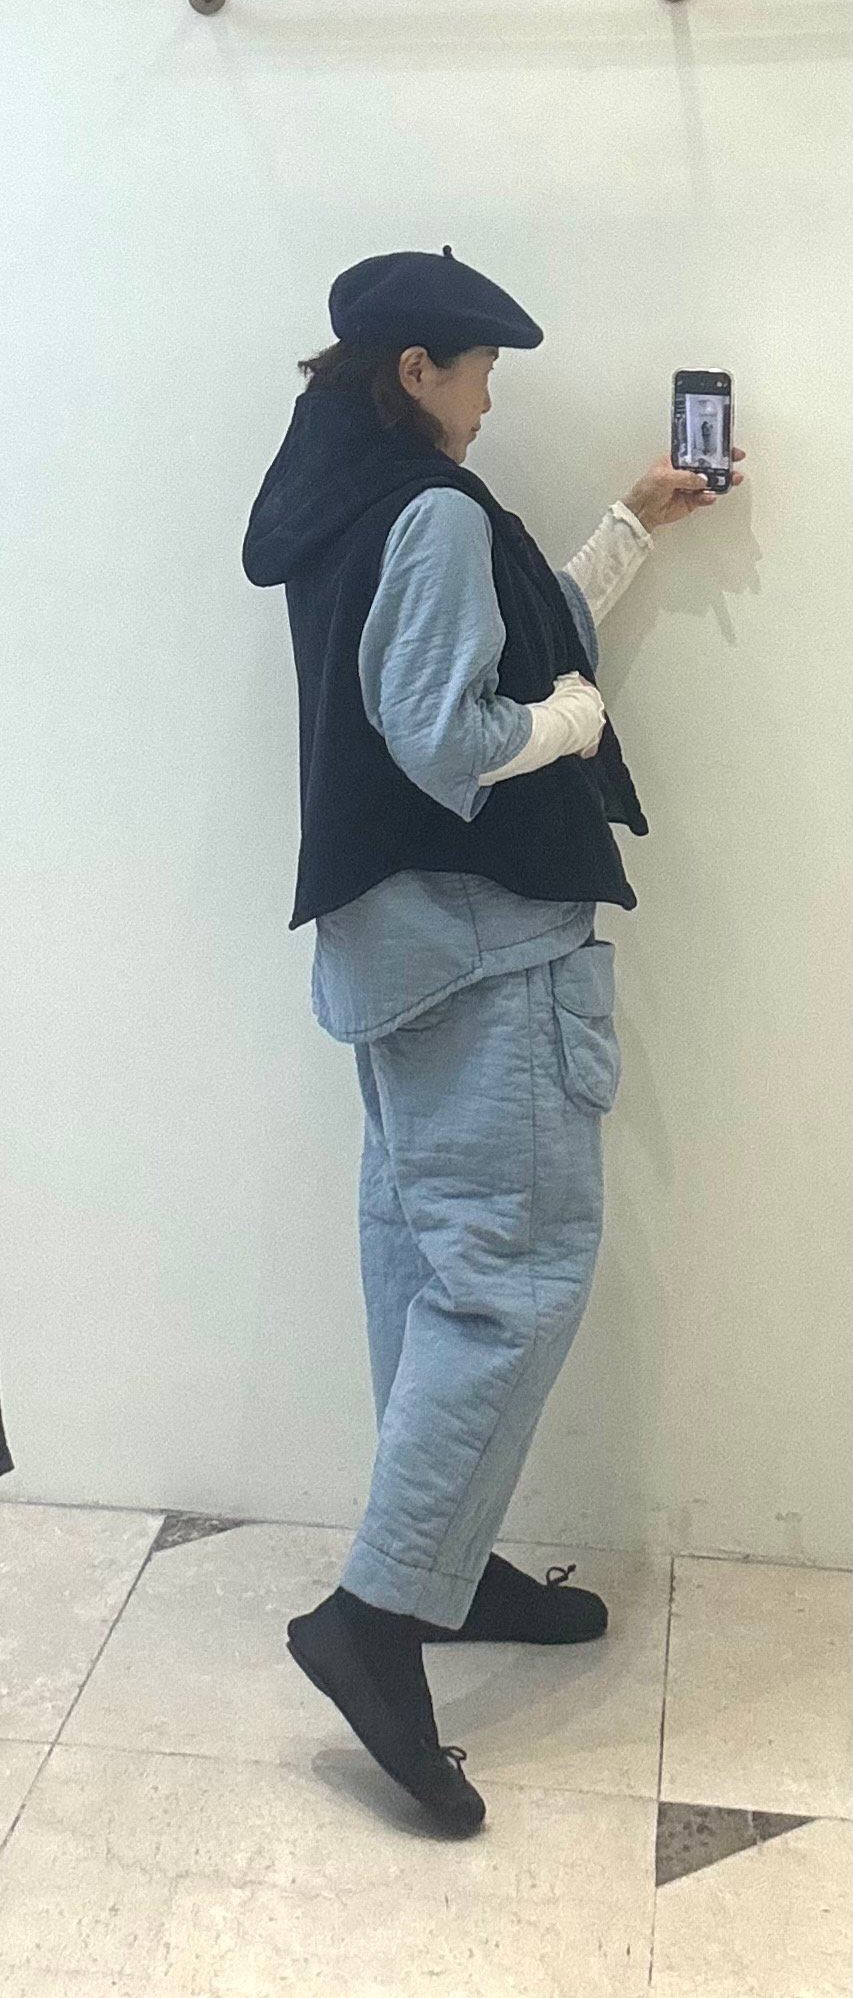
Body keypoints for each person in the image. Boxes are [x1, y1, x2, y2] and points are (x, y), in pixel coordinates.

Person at [242, 246, 746, 1836]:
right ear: (419, 370)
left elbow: (495, 635)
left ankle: (440, 1571)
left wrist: (631, 525)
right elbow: (449, 732)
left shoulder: (346, 500)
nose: (486, 402)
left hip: (394, 949)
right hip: (482, 949)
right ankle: (375, 1616)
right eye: (478, 375)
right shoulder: (435, 512)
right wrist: (581, 722)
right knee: (512, 1279)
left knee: (426, 1267)